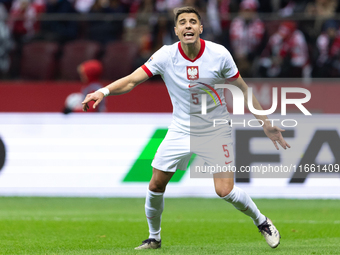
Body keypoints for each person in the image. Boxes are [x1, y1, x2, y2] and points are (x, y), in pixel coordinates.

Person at [82, 6, 290, 250]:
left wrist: (264, 123)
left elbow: (243, 89)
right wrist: (102, 91)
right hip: (181, 128)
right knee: (156, 184)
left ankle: (262, 221)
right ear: (176, 30)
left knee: (224, 191)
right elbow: (131, 81)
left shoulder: (219, 54)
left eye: (193, 21)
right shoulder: (165, 55)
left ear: (200, 28)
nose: (188, 25)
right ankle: (154, 237)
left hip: (215, 129)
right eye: (183, 22)